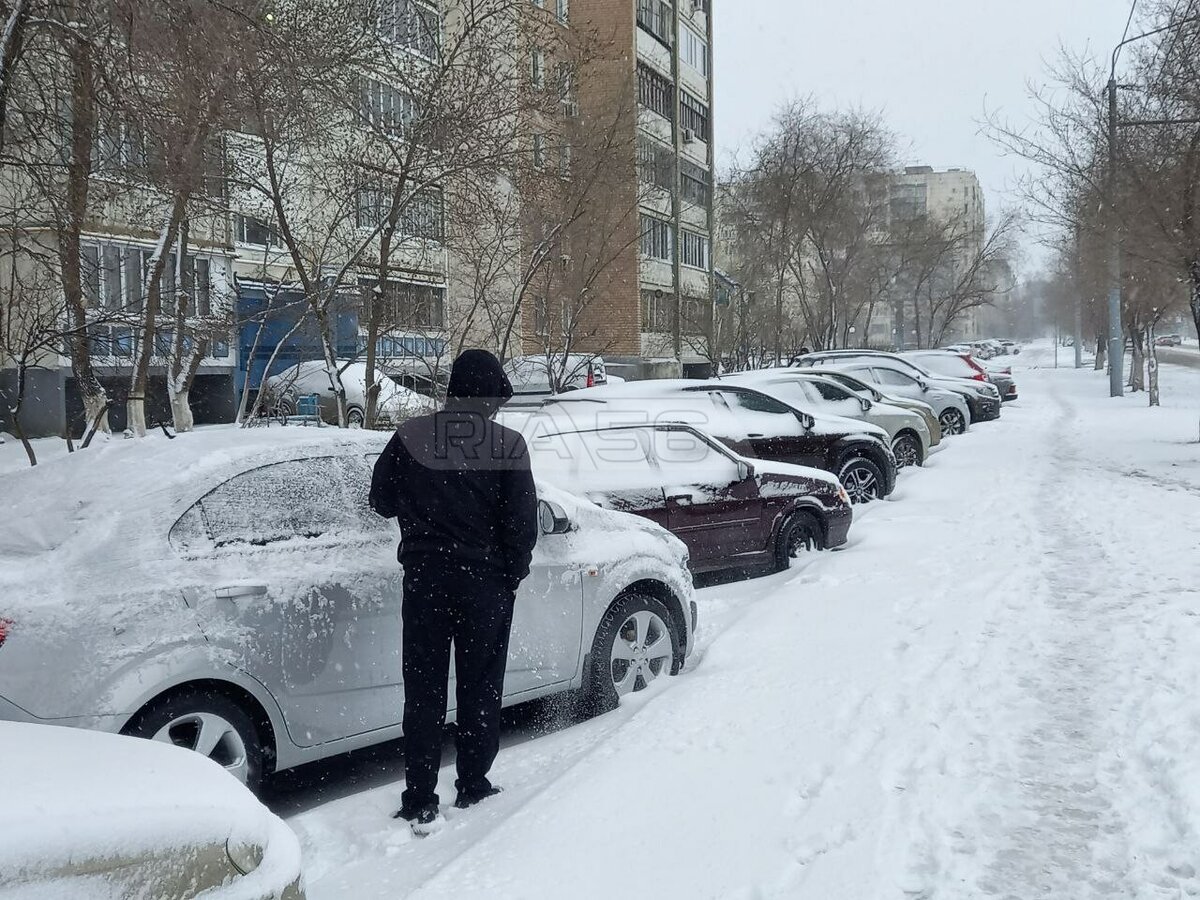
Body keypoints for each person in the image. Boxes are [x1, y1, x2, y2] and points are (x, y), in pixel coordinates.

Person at [369, 350, 538, 834]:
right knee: (480, 687)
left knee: (422, 691)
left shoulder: (409, 437)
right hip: (484, 586)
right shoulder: (508, 444)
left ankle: (420, 797)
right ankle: (473, 784)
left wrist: (420, 513)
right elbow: (521, 526)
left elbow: (380, 501)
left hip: (424, 583)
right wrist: (511, 576)